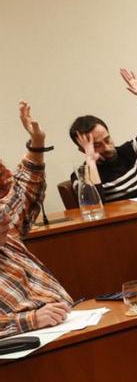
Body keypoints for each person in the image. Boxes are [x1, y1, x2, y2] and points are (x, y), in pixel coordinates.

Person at [2, 102, 72, 336]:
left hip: (63, 325)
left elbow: (22, 192)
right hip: (26, 347)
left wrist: (37, 142)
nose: (4, 218)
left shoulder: (5, 233)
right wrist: (30, 319)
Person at [69, 68, 137, 203]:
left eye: (107, 139)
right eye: (97, 145)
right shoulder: (81, 176)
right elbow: (94, 205)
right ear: (83, 149)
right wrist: (90, 160)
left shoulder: (127, 152)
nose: (107, 147)